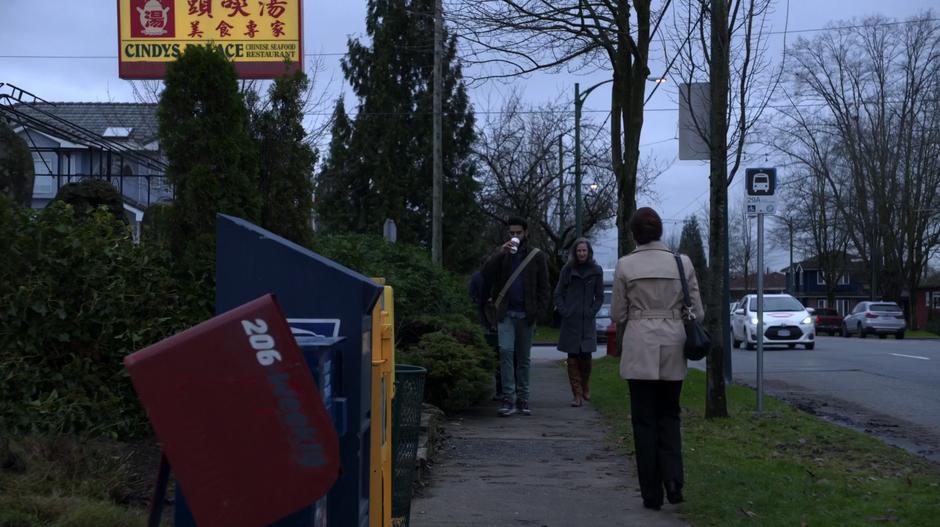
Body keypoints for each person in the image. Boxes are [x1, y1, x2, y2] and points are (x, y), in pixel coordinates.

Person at [610, 207, 704, 511]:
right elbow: (698, 312)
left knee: (643, 421)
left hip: (640, 344)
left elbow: (617, 314)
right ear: (660, 230)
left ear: (635, 233)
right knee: (670, 416)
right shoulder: (682, 262)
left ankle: (651, 493)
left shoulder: (625, 265)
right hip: (673, 342)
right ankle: (674, 480)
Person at [482, 216, 550, 417]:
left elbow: (544, 286)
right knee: (505, 351)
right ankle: (508, 397)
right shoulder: (502, 254)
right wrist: (499, 253)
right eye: (511, 233)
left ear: (526, 233)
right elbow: (485, 273)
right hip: (505, 313)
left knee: (523, 358)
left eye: (518, 233)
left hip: (526, 314)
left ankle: (523, 398)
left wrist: (538, 311)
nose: (514, 236)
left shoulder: (536, 256)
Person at [553, 238, 604, 407]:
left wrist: (591, 311)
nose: (582, 253)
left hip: (587, 321)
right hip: (571, 320)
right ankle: (576, 395)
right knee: (572, 356)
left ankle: (585, 385)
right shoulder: (567, 270)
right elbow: (558, 293)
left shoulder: (596, 270)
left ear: (589, 252)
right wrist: (564, 311)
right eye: (579, 251)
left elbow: (600, 296)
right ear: (575, 253)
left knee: (586, 356)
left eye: (584, 251)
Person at [468, 258, 502, 399]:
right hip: (495, 320)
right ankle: (501, 389)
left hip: (485, 321)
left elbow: (472, 296)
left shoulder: (477, 277)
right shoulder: (496, 276)